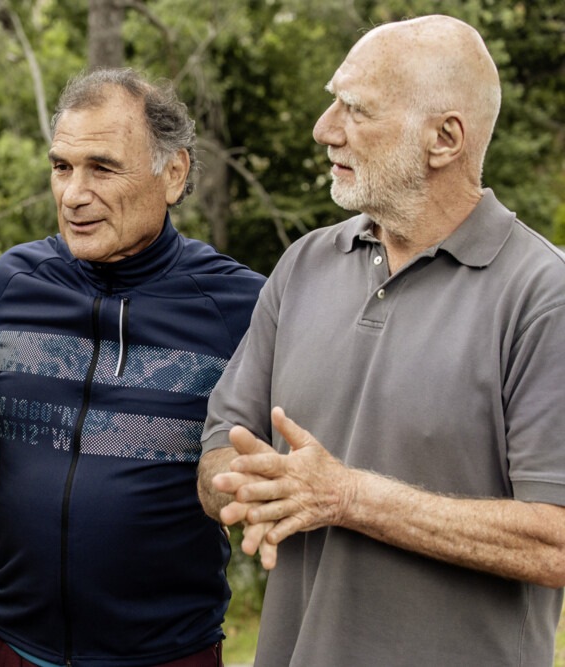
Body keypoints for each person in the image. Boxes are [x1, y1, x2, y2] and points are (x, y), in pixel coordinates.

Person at [197, 14, 565, 667]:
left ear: (445, 139)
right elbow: (221, 443)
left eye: (355, 109)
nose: (324, 128)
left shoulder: (542, 295)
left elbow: (556, 542)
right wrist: (249, 484)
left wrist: (349, 496)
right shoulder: (303, 264)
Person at [0, 68, 266, 667]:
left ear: (173, 173)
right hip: (14, 648)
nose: (74, 194)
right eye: (61, 167)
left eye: (102, 168)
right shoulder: (12, 284)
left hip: (167, 655)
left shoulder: (241, 307)